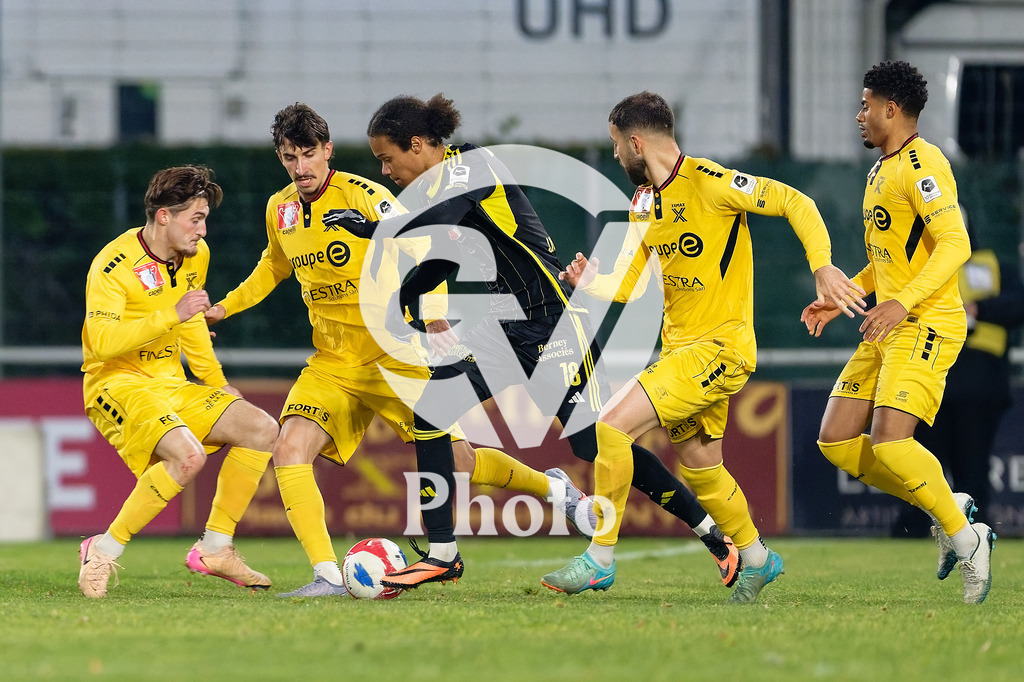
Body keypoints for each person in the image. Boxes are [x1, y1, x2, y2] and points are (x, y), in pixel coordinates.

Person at [333, 93, 743, 592]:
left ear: (417, 144)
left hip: (554, 325)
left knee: (596, 444)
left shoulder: (470, 167)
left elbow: (439, 218)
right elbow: (445, 251)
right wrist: (407, 296)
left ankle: (714, 536)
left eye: (387, 158)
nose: (385, 170)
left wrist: (373, 228)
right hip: (502, 327)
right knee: (431, 410)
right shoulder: (441, 189)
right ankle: (442, 554)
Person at [205, 103, 592, 598]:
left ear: (327, 151)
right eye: (289, 157)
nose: (300, 167)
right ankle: (327, 576)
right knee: (289, 447)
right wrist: (225, 307)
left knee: (458, 462)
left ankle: (555, 490)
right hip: (333, 362)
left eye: (308, 154)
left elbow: (428, 246)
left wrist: (433, 312)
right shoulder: (278, 209)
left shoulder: (367, 196)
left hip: (395, 354)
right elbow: (273, 267)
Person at [541, 91, 863, 603]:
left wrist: (822, 265)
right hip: (681, 351)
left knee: (609, 427)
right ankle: (757, 558)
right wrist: (591, 282)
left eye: (616, 144)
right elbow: (631, 284)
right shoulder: (644, 202)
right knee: (701, 467)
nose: (617, 155)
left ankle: (600, 557)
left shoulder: (711, 182)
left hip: (719, 348)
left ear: (636, 142)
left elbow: (795, 201)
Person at [801, 60, 994, 604]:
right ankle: (950, 509)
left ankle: (967, 541)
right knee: (836, 441)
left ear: (891, 109)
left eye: (865, 105)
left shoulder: (923, 164)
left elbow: (955, 244)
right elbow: (888, 260)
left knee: (890, 442)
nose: (858, 115)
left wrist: (903, 302)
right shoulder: (879, 171)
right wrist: (842, 296)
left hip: (926, 322)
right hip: (888, 323)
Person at [78, 165, 280, 598]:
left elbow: (191, 323)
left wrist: (216, 381)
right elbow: (102, 342)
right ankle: (102, 550)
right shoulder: (113, 265)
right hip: (116, 383)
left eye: (205, 219)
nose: (203, 231)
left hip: (170, 383)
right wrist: (171, 314)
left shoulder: (195, 255)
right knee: (188, 457)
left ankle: (216, 547)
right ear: (164, 216)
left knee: (262, 428)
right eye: (196, 219)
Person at [893, 209, 1024, 536]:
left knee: (972, 468)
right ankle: (914, 530)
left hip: (978, 383)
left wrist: (979, 310)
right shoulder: (914, 265)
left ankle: (973, 532)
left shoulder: (994, 266)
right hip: (928, 378)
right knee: (921, 462)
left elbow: (1018, 304)